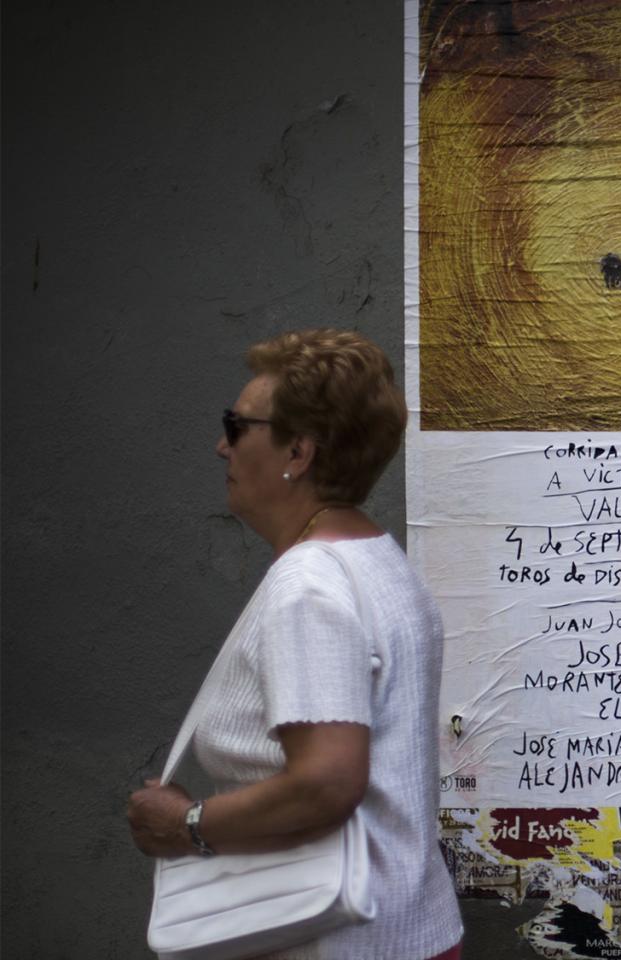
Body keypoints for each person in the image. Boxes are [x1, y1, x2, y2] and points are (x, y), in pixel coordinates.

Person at [126, 330, 463, 960]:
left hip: (336, 939)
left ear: (298, 452)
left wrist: (186, 825)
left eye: (238, 425)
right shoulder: (379, 560)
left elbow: (327, 784)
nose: (221, 445)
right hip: (409, 927)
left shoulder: (308, 586)